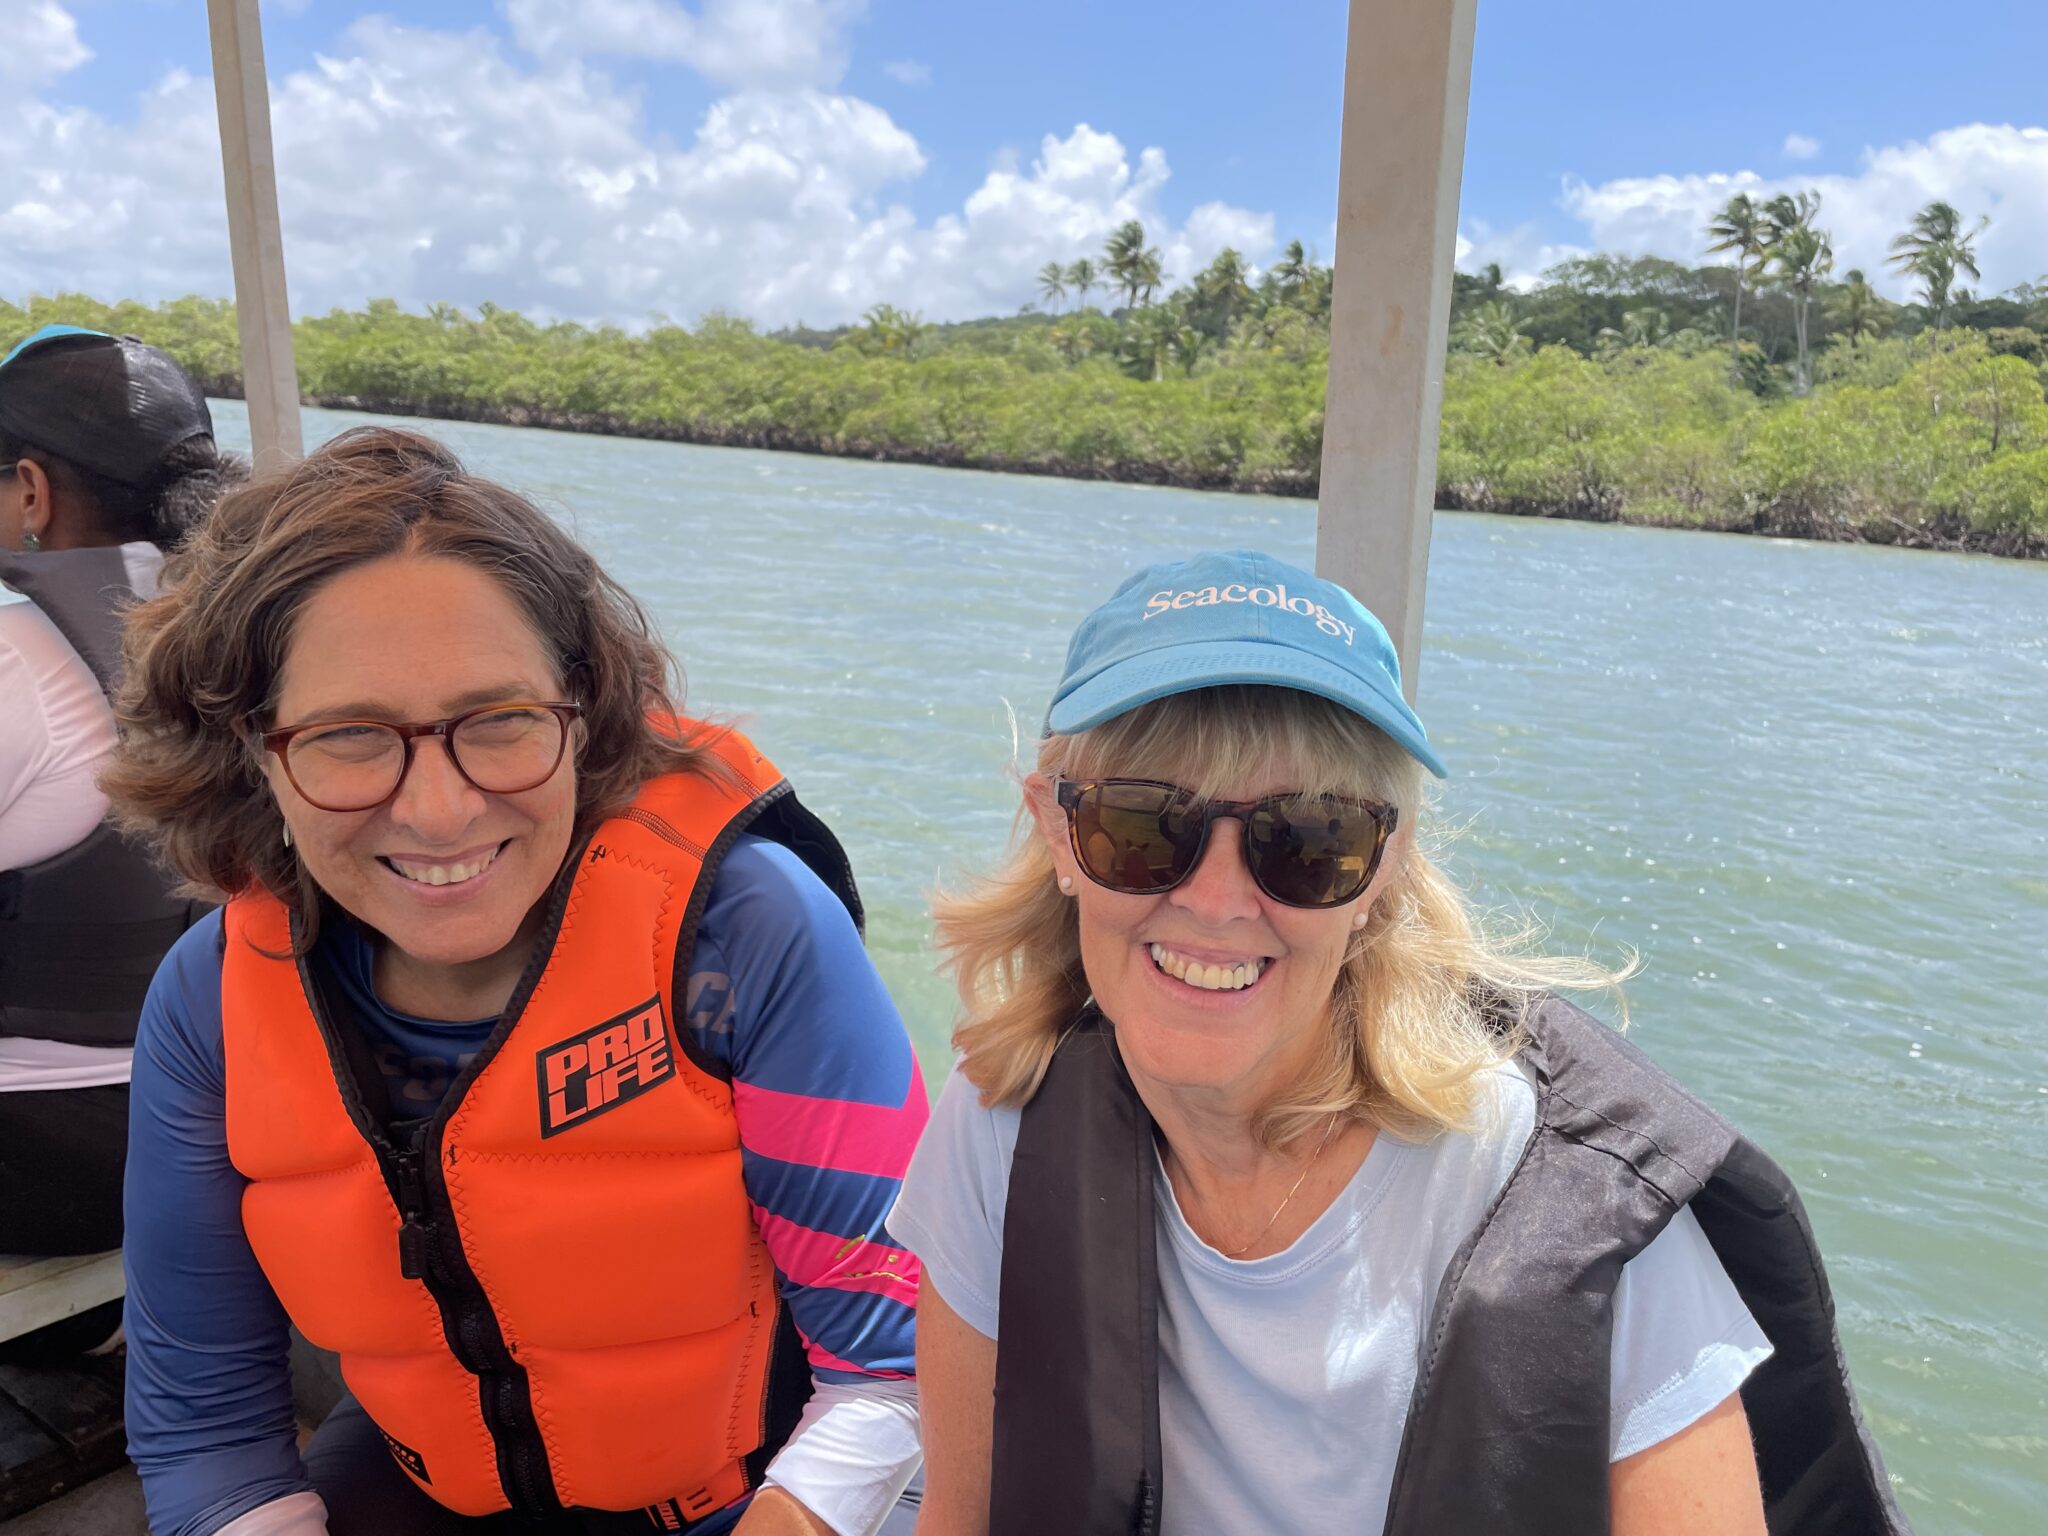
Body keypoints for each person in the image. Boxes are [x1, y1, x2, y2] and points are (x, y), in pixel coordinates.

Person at [891, 550, 1911, 1535]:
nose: (1215, 900)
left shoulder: (1575, 1214)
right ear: (1057, 833)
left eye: (1308, 841)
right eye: (1143, 827)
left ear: (1381, 874)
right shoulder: (1003, 1127)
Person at [102, 427, 927, 1536]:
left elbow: (893, 1364)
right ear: (254, 744)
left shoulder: (741, 936)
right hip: (426, 1484)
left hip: (766, 1489)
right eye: (351, 736)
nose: (439, 811)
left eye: (499, 721)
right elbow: (210, 1435)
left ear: (583, 713)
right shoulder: (210, 1002)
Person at [0, 326, 234, 1299]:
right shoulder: (243, 637)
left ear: (31, 494)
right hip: (196, 1131)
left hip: (43, 1155)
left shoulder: (15, 659)